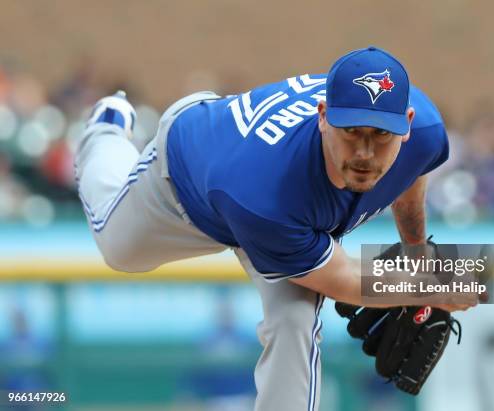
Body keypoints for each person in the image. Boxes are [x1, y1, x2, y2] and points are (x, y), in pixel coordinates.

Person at [74, 46, 465, 411]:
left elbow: (413, 174)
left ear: (407, 124)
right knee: (118, 249)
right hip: (189, 178)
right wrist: (429, 284)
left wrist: (418, 257)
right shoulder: (265, 192)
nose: (365, 152)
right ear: (324, 116)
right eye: (352, 131)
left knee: (295, 321)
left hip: (279, 208)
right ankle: (105, 132)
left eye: (381, 134)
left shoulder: (425, 131)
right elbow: (344, 279)